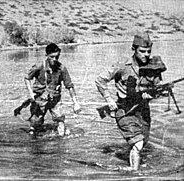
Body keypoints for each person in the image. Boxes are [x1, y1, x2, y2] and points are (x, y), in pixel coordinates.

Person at [95, 32, 167, 171]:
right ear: (134, 49)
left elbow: (157, 90)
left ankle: (132, 163)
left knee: (142, 142)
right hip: (124, 111)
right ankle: (134, 174)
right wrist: (109, 100)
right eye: (142, 51)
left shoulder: (154, 66)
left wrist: (152, 95)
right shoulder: (123, 65)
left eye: (148, 51)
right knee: (138, 143)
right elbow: (100, 80)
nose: (146, 55)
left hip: (143, 112)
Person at [24, 43, 81, 137]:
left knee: (60, 120)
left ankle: (60, 142)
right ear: (47, 55)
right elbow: (27, 78)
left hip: (55, 99)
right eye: (52, 57)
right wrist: (31, 94)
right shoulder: (39, 66)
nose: (55, 60)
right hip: (40, 99)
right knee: (35, 122)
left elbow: (69, 86)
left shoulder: (62, 68)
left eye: (57, 57)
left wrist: (75, 103)